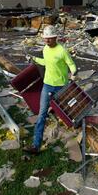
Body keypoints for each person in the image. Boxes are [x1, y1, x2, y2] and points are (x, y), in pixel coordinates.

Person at [24, 25, 77, 155]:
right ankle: (36, 145)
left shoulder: (62, 51)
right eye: (45, 38)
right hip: (47, 85)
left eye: (49, 38)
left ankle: (78, 131)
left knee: (68, 111)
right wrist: (34, 59)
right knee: (42, 114)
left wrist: (74, 72)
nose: (47, 41)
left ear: (55, 37)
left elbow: (71, 64)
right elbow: (46, 62)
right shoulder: (45, 49)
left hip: (61, 86)